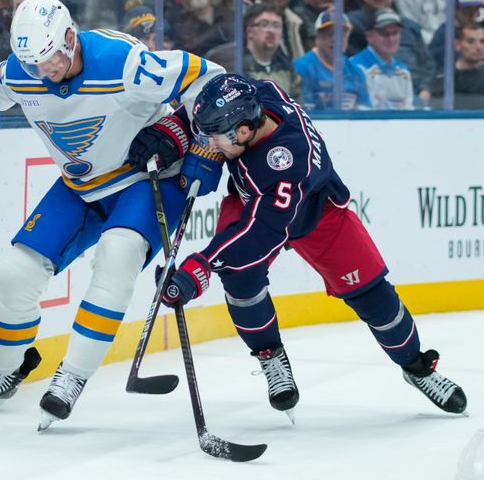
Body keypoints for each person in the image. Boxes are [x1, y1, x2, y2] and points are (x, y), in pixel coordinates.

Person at [0, 0, 225, 429]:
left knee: (117, 256)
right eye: (31, 63)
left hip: (147, 178)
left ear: (70, 37)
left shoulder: (125, 63)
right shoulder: (19, 71)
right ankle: (4, 372)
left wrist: (186, 135)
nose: (43, 72)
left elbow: (213, 82)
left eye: (49, 58)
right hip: (81, 187)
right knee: (16, 271)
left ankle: (72, 377)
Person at [161, 72, 468, 418]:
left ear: (244, 131)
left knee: (375, 298)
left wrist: (198, 268)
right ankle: (270, 356)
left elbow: (260, 231)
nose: (211, 143)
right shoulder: (261, 93)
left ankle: (417, 367)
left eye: (215, 138)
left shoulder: (287, 161)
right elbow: (207, 98)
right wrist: (171, 133)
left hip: (315, 215)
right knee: (240, 280)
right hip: (252, 201)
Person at [346, 0, 432, 102]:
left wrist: (425, 89)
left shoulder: (410, 27)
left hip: (412, 92)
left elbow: (427, 64)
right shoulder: (351, 24)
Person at [293, 9, 371, 110]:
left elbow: (365, 111)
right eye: (329, 34)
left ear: (347, 38)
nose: (334, 39)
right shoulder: (302, 67)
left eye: (340, 34)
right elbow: (304, 111)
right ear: (317, 38)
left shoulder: (356, 71)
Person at [350, 8, 414, 109]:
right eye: (384, 34)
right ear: (369, 37)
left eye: (395, 33)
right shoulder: (355, 68)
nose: (391, 39)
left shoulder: (403, 71)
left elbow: (409, 110)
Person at [242, 2, 302, 101]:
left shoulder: (287, 67)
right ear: (249, 32)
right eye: (264, 24)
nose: (271, 30)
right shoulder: (237, 64)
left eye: (276, 25)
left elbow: (298, 104)